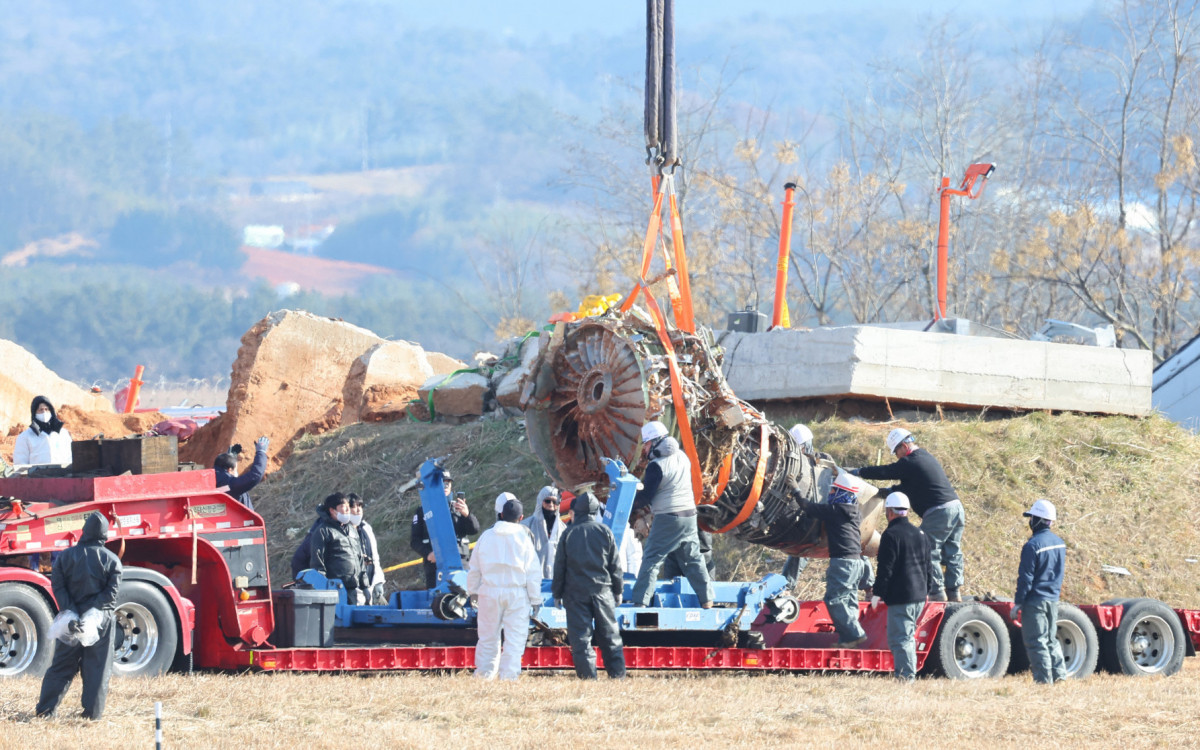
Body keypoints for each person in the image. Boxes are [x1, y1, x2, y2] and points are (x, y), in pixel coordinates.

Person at [853, 427, 965, 602]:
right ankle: (954, 592)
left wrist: (859, 472)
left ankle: (936, 593)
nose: (896, 456)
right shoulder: (925, 458)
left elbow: (885, 471)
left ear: (904, 446)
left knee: (928, 549)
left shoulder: (910, 461)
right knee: (953, 552)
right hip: (956, 509)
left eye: (896, 451)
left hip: (940, 512)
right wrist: (887, 492)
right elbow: (909, 487)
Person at [35, 512, 123, 720]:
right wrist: (92, 614)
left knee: (61, 666)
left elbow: (58, 585)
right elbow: (111, 594)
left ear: (83, 531)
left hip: (70, 621)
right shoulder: (112, 561)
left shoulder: (65, 557)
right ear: (104, 535)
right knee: (97, 668)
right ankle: (92, 715)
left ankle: (46, 711)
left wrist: (71, 611)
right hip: (100, 621)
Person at [629, 421, 712, 608]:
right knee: (693, 559)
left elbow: (646, 497)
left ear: (656, 442)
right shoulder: (682, 456)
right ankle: (707, 600)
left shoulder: (656, 466)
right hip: (690, 516)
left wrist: (629, 500)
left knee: (652, 558)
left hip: (668, 518)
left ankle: (640, 602)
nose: (645, 449)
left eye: (647, 444)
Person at [467, 493, 542, 681]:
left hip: (489, 592)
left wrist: (473, 593)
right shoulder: (524, 538)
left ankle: (484, 675)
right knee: (514, 640)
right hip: (517, 593)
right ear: (521, 518)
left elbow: (474, 569)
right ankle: (509, 677)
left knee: (487, 638)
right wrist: (535, 599)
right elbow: (533, 572)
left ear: (499, 514)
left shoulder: (485, 537)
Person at [552, 491, 626, 680]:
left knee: (581, 639)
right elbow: (615, 566)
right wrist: (618, 591)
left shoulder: (569, 534)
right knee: (610, 636)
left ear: (576, 511)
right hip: (603, 592)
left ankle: (588, 678)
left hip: (575, 594)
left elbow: (560, 566)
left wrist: (557, 593)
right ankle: (617, 676)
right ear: (594, 511)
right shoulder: (605, 532)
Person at [798, 469, 868, 648]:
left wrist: (794, 491)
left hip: (843, 562)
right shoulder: (854, 511)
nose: (830, 494)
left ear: (841, 493)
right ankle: (848, 639)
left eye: (833, 491)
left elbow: (808, 507)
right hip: (857, 562)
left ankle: (855, 634)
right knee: (849, 597)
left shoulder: (836, 509)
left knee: (834, 599)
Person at [870, 492, 936, 683]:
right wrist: (927, 591)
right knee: (906, 637)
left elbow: (885, 568)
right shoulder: (920, 534)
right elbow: (928, 566)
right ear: (906, 511)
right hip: (919, 595)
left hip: (902, 597)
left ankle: (906, 678)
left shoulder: (890, 535)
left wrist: (878, 593)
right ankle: (906, 675)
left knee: (900, 638)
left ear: (889, 511)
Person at [1012, 499, 1068, 684]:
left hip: (1035, 601)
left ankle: (1044, 681)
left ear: (1038, 520)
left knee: (1036, 641)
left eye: (1032, 517)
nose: (1030, 521)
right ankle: (1060, 676)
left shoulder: (1032, 546)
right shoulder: (1060, 544)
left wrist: (1018, 602)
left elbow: (1026, 578)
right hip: (1053, 599)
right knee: (1051, 639)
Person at [410, 472, 481, 588]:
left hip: (460, 563)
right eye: (442, 483)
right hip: (435, 565)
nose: (445, 486)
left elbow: (474, 530)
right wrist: (428, 554)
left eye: (448, 483)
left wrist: (467, 515)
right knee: (438, 600)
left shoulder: (458, 507)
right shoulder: (423, 510)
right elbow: (415, 541)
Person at [309, 492, 365, 600]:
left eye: (349, 506)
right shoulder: (323, 531)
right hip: (334, 590)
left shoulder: (352, 530)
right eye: (344, 507)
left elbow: (360, 559)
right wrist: (323, 588)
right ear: (332, 510)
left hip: (352, 588)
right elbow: (317, 563)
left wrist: (365, 586)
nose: (348, 510)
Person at [213, 436, 270, 512]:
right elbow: (255, 475)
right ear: (229, 470)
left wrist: (230, 458)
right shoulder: (230, 486)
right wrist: (261, 452)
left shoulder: (213, 480)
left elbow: (225, 486)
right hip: (238, 522)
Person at [14, 396, 73, 468]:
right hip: (37, 478)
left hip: (61, 476)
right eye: (40, 410)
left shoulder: (63, 434)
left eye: (47, 409)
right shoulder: (25, 437)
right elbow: (20, 463)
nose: (44, 412)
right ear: (34, 413)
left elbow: (70, 458)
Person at [349, 493, 386, 605]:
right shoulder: (342, 531)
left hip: (371, 582)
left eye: (360, 506)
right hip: (354, 585)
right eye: (354, 507)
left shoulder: (366, 528)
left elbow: (375, 557)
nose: (358, 510)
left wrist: (379, 581)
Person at [522, 485, 565, 579]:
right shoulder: (526, 527)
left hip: (555, 584)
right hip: (532, 581)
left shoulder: (563, 529)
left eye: (555, 502)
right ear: (540, 501)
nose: (551, 505)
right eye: (547, 501)